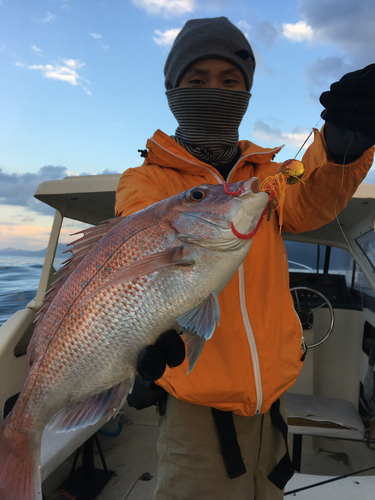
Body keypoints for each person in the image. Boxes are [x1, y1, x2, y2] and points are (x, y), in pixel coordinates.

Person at [115, 17, 375, 500]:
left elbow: (305, 199)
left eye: (230, 81)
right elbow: (141, 246)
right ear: (173, 90)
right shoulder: (145, 181)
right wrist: (144, 336)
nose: (215, 90)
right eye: (198, 80)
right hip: (196, 412)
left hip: (273, 408)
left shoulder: (266, 179)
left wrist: (340, 147)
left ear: (248, 93)